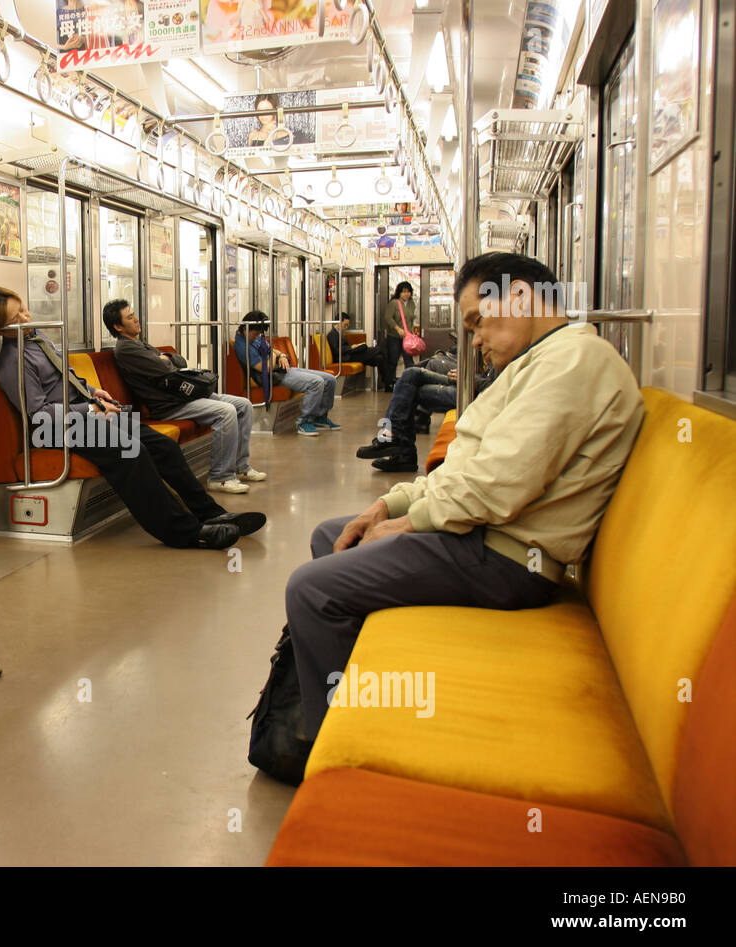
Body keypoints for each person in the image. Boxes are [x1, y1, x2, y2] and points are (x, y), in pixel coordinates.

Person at [275, 252, 644, 779]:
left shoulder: (574, 362)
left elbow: (498, 485)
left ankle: (336, 756)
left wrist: (406, 525)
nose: (474, 341)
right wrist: (390, 504)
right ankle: (359, 694)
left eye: (477, 323)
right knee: (332, 533)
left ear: (518, 295)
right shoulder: (541, 363)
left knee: (311, 589)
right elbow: (472, 470)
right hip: (485, 536)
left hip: (509, 557)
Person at [0, 286, 265, 549]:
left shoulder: (36, 337)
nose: (26, 316)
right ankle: (185, 532)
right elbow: (39, 414)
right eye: (16, 315)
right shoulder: (13, 361)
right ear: (0, 327)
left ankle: (212, 513)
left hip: (85, 413)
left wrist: (94, 393)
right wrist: (90, 410)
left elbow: (66, 378)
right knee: (132, 451)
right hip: (56, 427)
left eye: (23, 308)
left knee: (163, 446)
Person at [106, 298, 265, 495]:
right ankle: (220, 477)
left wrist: (166, 358)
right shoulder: (126, 349)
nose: (136, 320)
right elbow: (163, 366)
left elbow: (178, 361)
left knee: (244, 405)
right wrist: (164, 360)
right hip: (168, 405)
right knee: (226, 411)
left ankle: (242, 467)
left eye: (134, 315)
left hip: (182, 397)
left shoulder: (139, 344)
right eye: (130, 317)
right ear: (118, 326)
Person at [355, 361, 497, 472]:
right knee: (411, 374)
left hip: (474, 392)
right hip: (472, 382)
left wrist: (468, 377)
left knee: (409, 390)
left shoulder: (514, 356)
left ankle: (401, 450)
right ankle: (397, 445)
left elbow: (494, 389)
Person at [233, 312, 340, 436]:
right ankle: (304, 422)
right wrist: (275, 355)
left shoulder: (253, 338)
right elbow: (266, 367)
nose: (257, 336)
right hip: (272, 377)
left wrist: (282, 355)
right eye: (255, 334)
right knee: (316, 382)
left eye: (259, 334)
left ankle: (320, 417)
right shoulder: (241, 345)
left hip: (281, 369)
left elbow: (273, 350)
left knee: (330, 379)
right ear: (245, 329)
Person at [380, 281, 417, 389]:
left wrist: (412, 332)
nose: (406, 294)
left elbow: (410, 320)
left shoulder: (411, 304)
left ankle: (411, 382)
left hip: (407, 337)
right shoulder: (394, 303)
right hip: (394, 337)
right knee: (393, 360)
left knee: (409, 361)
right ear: (399, 293)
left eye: (408, 292)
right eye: (404, 292)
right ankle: (389, 383)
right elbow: (388, 317)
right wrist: (397, 328)